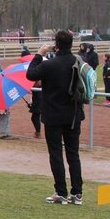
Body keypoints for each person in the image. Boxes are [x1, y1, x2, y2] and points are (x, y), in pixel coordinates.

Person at [25, 30, 83, 205]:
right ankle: (77, 193)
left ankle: (61, 192)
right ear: (71, 44)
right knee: (73, 154)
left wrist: (38, 55)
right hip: (73, 114)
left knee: (56, 153)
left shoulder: (50, 64)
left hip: (53, 115)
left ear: (56, 45)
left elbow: (31, 74)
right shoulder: (79, 62)